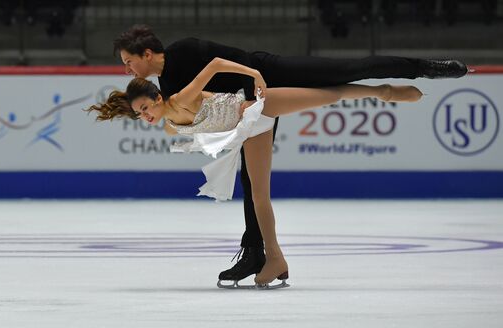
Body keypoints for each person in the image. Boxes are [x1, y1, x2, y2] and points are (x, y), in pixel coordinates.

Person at [111, 24, 466, 288]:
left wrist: (254, 77)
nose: (128, 69)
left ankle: (424, 67)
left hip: (270, 78)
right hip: (248, 113)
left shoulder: (184, 51)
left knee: (345, 73)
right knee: (252, 184)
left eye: (129, 62)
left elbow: (227, 62)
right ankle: (256, 253)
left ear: (147, 54)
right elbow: (195, 114)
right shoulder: (167, 91)